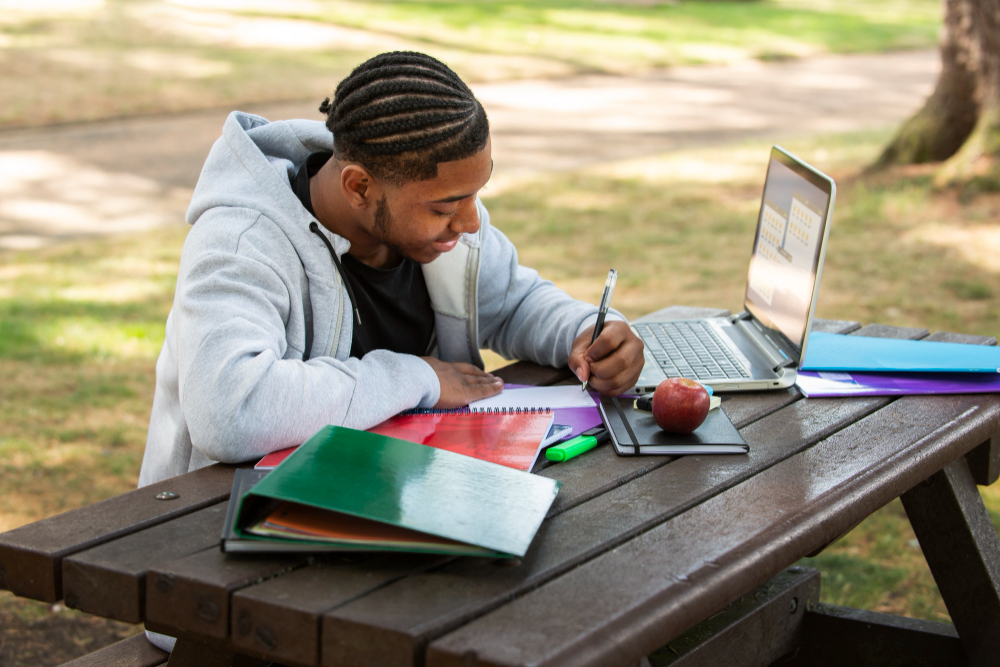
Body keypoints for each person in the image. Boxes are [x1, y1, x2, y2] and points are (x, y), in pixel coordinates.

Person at [138, 50, 644, 488]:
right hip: (228, 524)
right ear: (359, 187)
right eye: (445, 207)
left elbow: (511, 304)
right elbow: (230, 409)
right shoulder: (242, 241)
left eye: (476, 195)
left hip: (394, 493)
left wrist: (585, 332)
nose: (469, 223)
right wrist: (416, 377)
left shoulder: (436, 228)